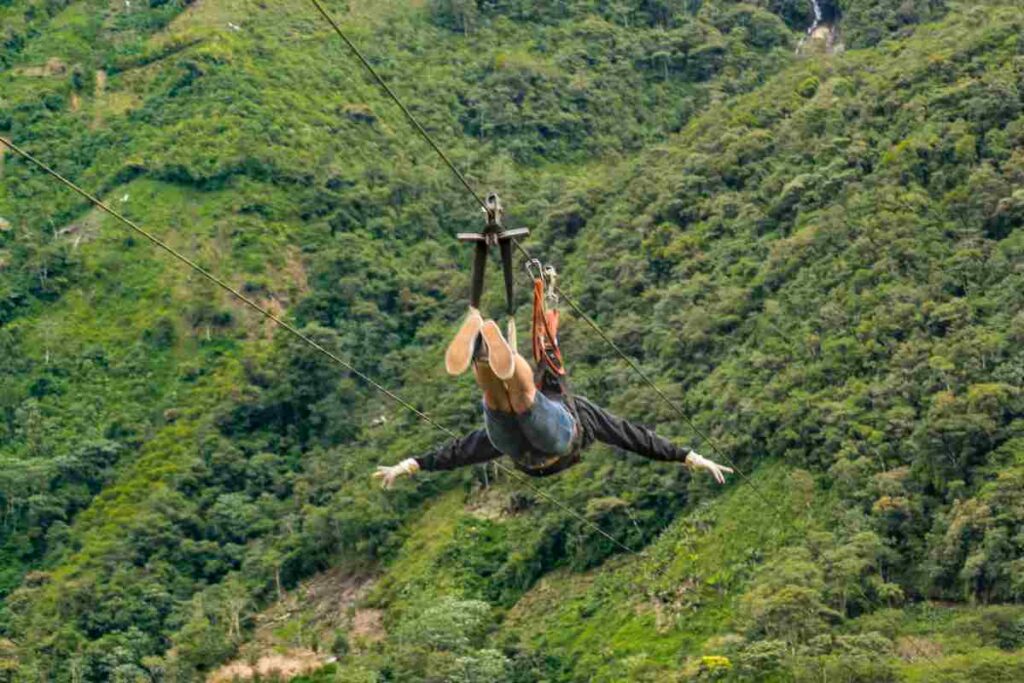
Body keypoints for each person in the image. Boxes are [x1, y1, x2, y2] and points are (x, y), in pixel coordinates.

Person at [373, 308, 734, 488]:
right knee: (518, 401)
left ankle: (483, 355)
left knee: (500, 400)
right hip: (551, 443)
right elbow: (632, 436)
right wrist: (688, 457)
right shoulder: (580, 412)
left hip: (518, 447)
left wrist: (413, 464)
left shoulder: (567, 399)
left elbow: (462, 450)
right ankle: (490, 356)